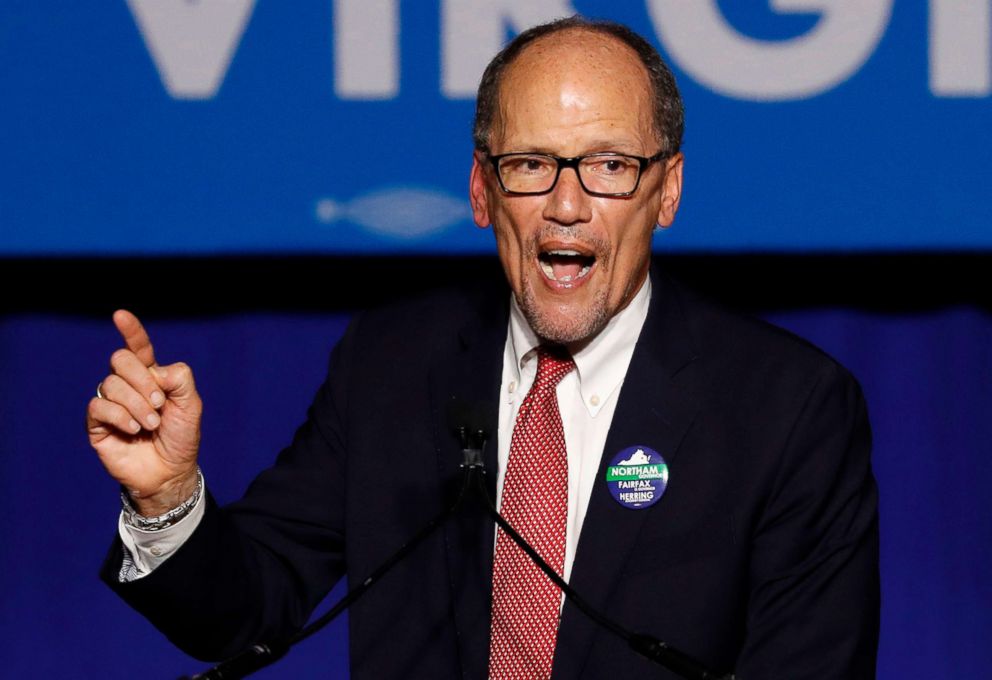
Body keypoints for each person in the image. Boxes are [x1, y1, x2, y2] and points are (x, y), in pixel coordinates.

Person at [87, 17, 880, 680]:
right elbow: (246, 617)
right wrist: (168, 497)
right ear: (480, 190)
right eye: (530, 164)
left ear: (666, 190)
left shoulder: (788, 408)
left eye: (609, 166)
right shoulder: (390, 365)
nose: (566, 206)